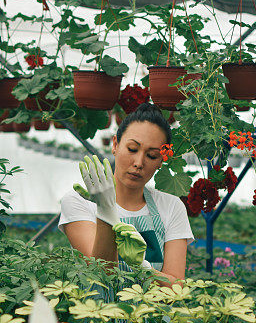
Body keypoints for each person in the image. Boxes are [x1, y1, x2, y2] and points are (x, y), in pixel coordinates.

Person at [59, 103, 193, 285]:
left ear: (161, 160)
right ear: (115, 144)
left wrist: (142, 266)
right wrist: (105, 208)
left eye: (152, 156)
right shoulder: (78, 201)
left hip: (155, 313)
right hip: (99, 311)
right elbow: (100, 275)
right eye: (132, 149)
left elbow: (177, 287)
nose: (139, 162)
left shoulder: (171, 206)